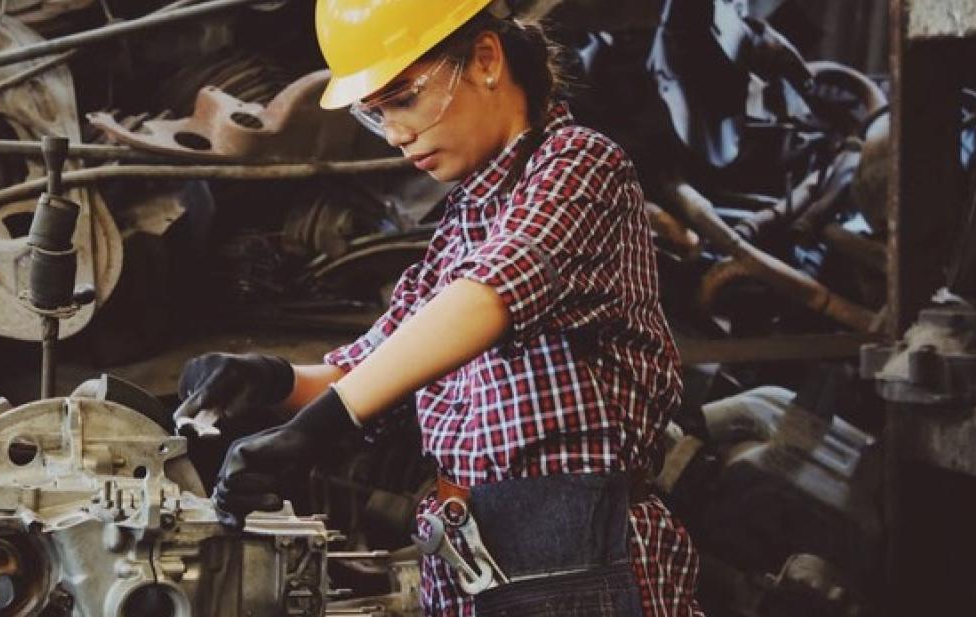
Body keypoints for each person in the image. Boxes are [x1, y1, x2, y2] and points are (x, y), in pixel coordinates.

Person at [176, 1, 702, 615]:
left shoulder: (579, 165)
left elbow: (492, 295)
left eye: (403, 98)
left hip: (576, 553)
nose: (396, 133)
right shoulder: (459, 226)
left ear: (484, 59)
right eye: (375, 115)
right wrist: (265, 379)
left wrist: (317, 429)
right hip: (465, 551)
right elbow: (375, 368)